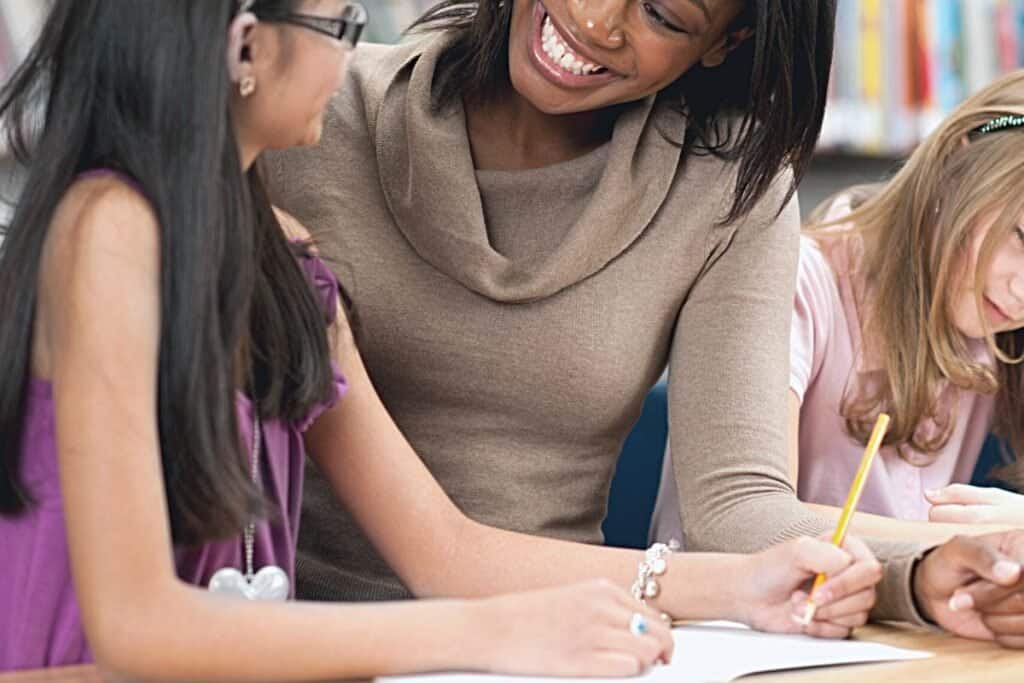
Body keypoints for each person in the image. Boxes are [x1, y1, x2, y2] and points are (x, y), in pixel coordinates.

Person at [0, 0, 888, 677]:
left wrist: (742, 585)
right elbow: (134, 622)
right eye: (338, 22)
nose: (357, 54)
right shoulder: (108, 231)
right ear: (243, 45)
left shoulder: (285, 258)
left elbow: (445, 550)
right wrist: (495, 633)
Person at [264, 0, 1024, 648]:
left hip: (568, 636)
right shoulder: (299, 110)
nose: (596, 19)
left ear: (726, 40)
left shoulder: (730, 189)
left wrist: (920, 573)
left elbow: (738, 506)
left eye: (661, 13)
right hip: (284, 630)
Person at [652, 69, 1024, 547]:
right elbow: (746, 525)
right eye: (1020, 238)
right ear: (957, 165)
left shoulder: (990, 327)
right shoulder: (791, 284)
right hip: (724, 616)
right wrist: (976, 541)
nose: (1021, 294)